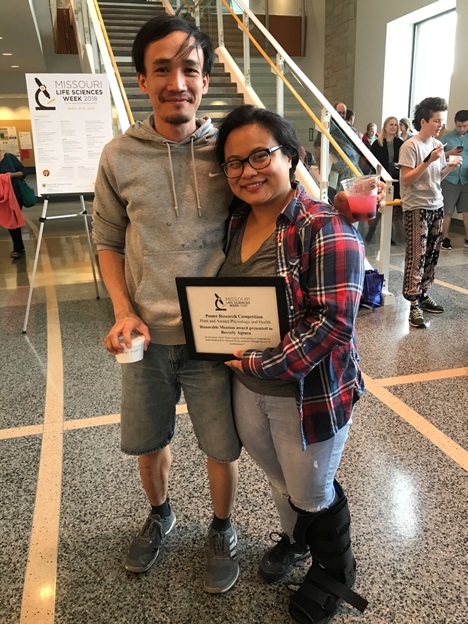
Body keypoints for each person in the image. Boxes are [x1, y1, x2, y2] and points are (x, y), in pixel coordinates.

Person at [92, 15, 241, 593]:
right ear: (141, 80)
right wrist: (122, 310)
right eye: (162, 70)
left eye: (189, 70)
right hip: (146, 337)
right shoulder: (118, 156)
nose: (177, 82)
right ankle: (161, 514)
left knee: (221, 445)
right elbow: (108, 240)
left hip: (214, 335)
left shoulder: (228, 151)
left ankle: (222, 527)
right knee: (149, 440)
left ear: (204, 81)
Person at [215, 105, 368, 623]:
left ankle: (336, 570)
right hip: (247, 386)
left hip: (308, 394)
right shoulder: (233, 221)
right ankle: (298, 539)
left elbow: (332, 325)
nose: (247, 171)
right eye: (234, 162)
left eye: (261, 155)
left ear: (292, 157)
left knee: (311, 489)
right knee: (279, 480)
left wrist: (259, 363)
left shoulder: (323, 226)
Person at [398, 97, 461, 329]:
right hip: (417, 207)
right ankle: (412, 303)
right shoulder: (410, 146)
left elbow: (436, 178)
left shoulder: (437, 145)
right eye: (436, 120)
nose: (440, 125)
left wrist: (448, 168)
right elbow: (406, 180)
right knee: (417, 256)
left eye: (442, 121)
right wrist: (428, 160)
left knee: (432, 255)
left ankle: (423, 294)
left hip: (436, 204)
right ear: (423, 121)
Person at [366, 117, 404, 244]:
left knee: (392, 208)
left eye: (395, 125)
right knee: (380, 206)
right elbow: (371, 162)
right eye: (391, 124)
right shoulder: (378, 144)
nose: (394, 127)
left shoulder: (400, 143)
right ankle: (372, 233)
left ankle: (389, 235)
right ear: (385, 127)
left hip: (396, 179)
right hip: (382, 179)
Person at [439, 109, 468, 250]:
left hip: (466, 179)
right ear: (455, 123)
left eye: (465, 126)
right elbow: (435, 155)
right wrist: (449, 153)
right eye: (459, 126)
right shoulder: (446, 138)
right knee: (447, 210)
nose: (461, 129)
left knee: (467, 210)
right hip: (450, 178)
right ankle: (445, 238)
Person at [0, 149, 27, 259]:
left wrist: (12, 175)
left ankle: (18, 248)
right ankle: (19, 247)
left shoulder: (9, 158)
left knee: (13, 222)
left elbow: (23, 172)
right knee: (10, 222)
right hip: (1, 197)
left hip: (14, 196)